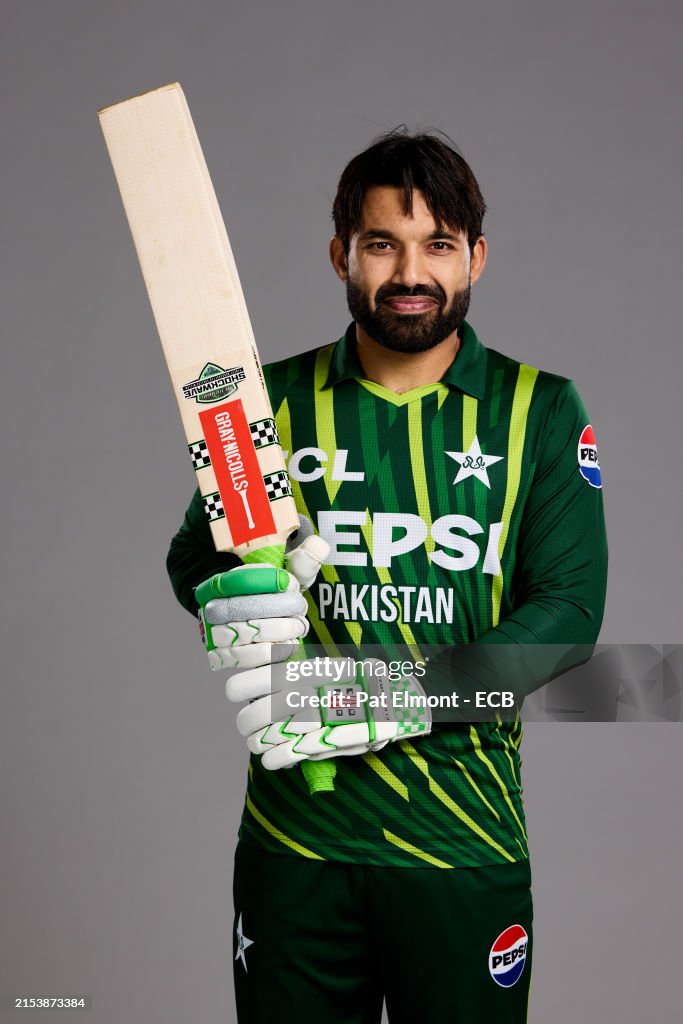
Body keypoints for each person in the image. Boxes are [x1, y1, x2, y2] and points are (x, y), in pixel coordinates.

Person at [167, 130, 608, 1023]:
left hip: (463, 842)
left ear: (475, 257)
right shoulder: (269, 401)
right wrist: (228, 594)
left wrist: (401, 687)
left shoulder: (542, 410)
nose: (411, 272)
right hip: (297, 845)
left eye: (438, 245)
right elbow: (198, 554)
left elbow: (565, 617)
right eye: (381, 244)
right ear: (342, 254)